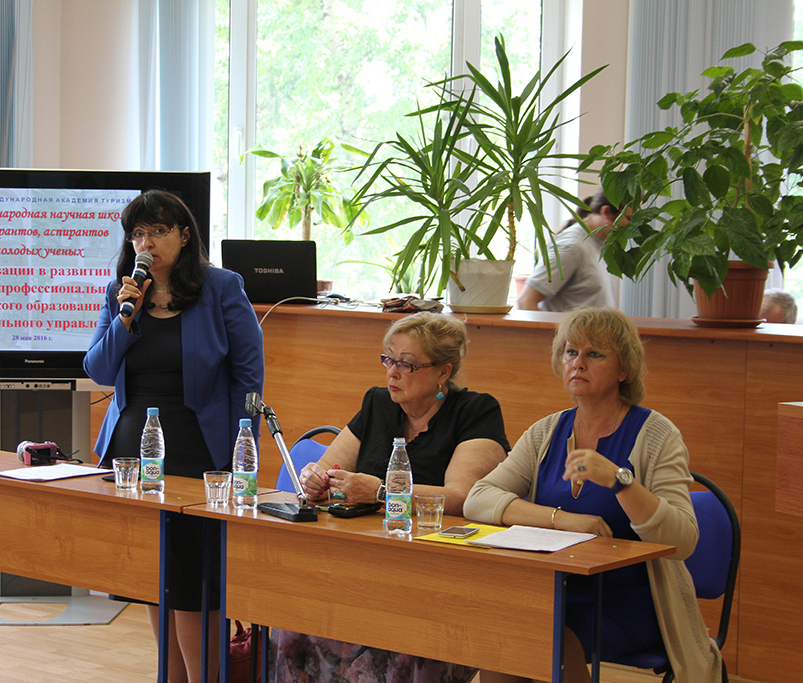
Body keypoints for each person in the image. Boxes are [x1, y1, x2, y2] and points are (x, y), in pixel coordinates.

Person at [464, 307, 722, 683]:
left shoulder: (657, 435)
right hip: (555, 587)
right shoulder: (546, 431)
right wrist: (563, 520)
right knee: (502, 626)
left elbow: (682, 540)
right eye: (571, 352)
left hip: (633, 598)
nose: (578, 363)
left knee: (547, 633)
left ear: (624, 369)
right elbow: (478, 498)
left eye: (595, 354)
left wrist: (620, 482)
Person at [83, 189, 264, 683]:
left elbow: (248, 377)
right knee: (156, 578)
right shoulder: (121, 293)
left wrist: (242, 455)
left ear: (184, 236)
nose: (146, 243)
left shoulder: (221, 288)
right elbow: (98, 370)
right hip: (132, 453)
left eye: (158, 231)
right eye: (138, 234)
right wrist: (127, 314)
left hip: (197, 450)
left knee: (194, 581)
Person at [273, 311, 511, 682]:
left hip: (435, 576)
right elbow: (327, 469)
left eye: (407, 364)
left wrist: (382, 492)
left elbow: (462, 497)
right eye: (389, 360)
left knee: (389, 649)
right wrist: (314, 480)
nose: (393, 373)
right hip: (361, 563)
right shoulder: (378, 403)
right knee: (295, 623)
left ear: (443, 372)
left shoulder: (476, 412)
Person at [516, 190, 625, 312]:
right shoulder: (572, 246)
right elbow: (525, 301)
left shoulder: (599, 245)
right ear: (606, 212)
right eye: (629, 218)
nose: (634, 225)